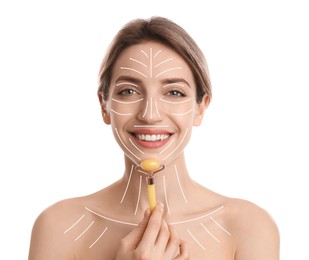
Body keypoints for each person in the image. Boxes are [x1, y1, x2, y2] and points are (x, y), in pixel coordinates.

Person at [28, 16, 280, 259]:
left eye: (174, 92)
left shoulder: (249, 229)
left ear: (200, 107)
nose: (150, 115)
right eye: (128, 91)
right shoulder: (58, 228)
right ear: (104, 106)